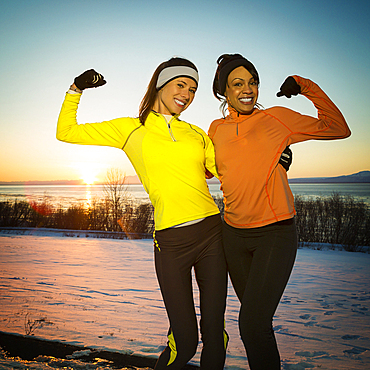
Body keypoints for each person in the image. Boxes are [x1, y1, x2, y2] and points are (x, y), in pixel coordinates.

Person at [56, 57, 229, 369]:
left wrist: (274, 160)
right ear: (161, 83)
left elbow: (230, 174)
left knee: (215, 334)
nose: (187, 94)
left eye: (193, 89)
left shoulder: (196, 133)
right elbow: (66, 132)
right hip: (171, 243)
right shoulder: (130, 129)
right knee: (185, 343)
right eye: (181, 85)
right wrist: (76, 89)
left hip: (212, 235)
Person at [208, 54, 351, 370]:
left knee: (252, 324)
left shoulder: (276, 118)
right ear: (224, 92)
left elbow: (339, 128)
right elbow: (208, 169)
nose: (248, 90)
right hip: (232, 235)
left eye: (253, 82)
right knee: (256, 323)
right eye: (238, 83)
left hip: (274, 233)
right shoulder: (215, 129)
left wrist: (305, 86)